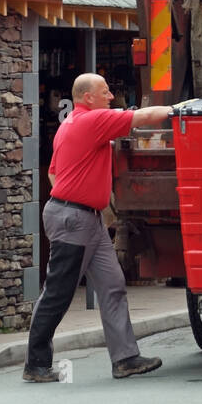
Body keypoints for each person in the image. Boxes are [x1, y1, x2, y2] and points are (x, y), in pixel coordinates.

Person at [24, 73, 171, 382]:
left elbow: (53, 173)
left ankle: (125, 359)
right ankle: (35, 364)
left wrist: (84, 200)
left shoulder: (69, 125)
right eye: (105, 92)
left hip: (83, 217)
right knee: (58, 292)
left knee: (113, 284)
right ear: (88, 98)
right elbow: (144, 117)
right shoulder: (93, 120)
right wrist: (181, 108)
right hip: (76, 219)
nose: (111, 96)